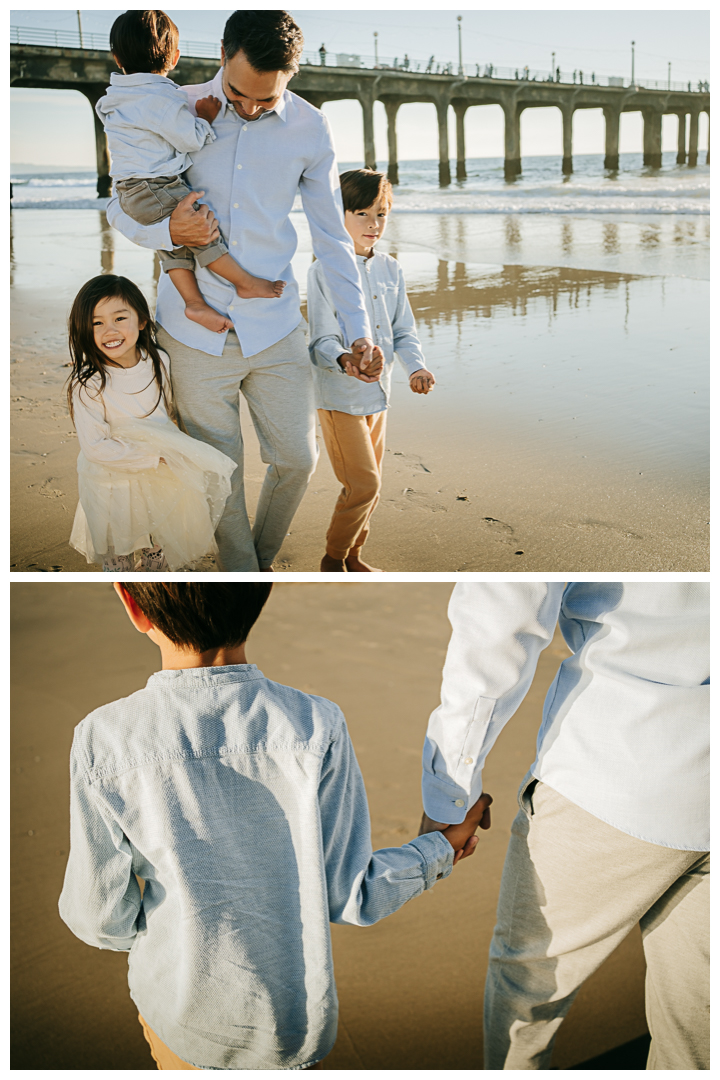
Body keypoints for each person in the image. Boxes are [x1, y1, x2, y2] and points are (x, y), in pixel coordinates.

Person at [58, 583, 492, 1070]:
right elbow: (352, 895)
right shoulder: (315, 723)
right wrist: (437, 849)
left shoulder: (106, 738)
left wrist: (148, 931)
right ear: (259, 598)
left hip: (182, 1016)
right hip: (291, 1029)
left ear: (133, 606)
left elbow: (99, 916)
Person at [106, 10, 378, 572]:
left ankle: (258, 559)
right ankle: (246, 574)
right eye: (239, 94)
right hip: (191, 328)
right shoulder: (170, 107)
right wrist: (166, 231)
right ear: (222, 53)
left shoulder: (310, 127)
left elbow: (332, 239)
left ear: (291, 76)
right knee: (220, 469)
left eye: (266, 100)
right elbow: (121, 199)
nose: (250, 108)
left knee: (297, 462)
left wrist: (359, 334)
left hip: (276, 326)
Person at [419, 582, 709, 1070]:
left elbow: (502, 615)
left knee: (527, 992)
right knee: (699, 1026)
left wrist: (451, 789)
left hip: (614, 765)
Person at [97, 10, 284, 335]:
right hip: (155, 185)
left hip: (130, 191)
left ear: (116, 58)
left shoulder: (116, 97)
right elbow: (191, 138)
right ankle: (246, 283)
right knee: (201, 231)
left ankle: (193, 302)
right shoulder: (160, 98)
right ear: (174, 57)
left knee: (175, 244)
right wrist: (204, 118)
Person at [307, 169, 435, 573]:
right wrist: (345, 359)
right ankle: (333, 559)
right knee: (364, 485)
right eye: (361, 213)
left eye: (381, 214)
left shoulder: (391, 269)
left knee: (371, 488)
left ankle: (355, 556)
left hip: (380, 396)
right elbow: (320, 341)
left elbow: (403, 330)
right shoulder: (324, 271)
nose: (373, 224)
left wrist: (417, 367)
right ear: (338, 215)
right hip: (340, 397)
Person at [67, 275, 235, 572]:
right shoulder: (89, 384)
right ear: (84, 329)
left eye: (120, 318)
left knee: (158, 540)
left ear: (142, 320)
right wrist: (150, 458)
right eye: (97, 323)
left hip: (162, 472)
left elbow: (168, 412)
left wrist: (176, 455)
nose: (110, 330)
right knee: (118, 548)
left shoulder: (159, 361)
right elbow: (94, 447)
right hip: (113, 478)